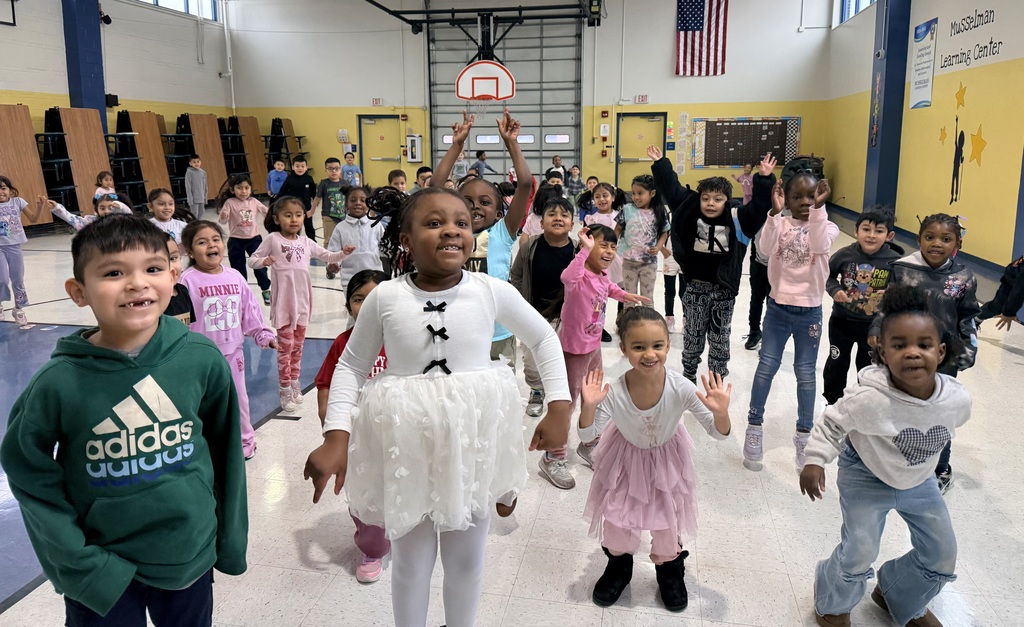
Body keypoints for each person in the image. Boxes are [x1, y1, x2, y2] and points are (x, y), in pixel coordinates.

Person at [304, 187, 572, 627]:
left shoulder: (490, 290)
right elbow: (351, 366)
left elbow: (542, 337)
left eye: (462, 223)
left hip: (471, 444)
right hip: (405, 444)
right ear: (406, 239)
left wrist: (559, 405)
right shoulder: (385, 297)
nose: (452, 230)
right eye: (434, 222)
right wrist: (336, 435)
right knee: (411, 562)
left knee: (466, 560)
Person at [0, 214, 247, 626]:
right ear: (79, 291)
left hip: (187, 552)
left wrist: (230, 539)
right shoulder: (57, 382)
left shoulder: (200, 358)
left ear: (173, 276)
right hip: (101, 566)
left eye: (152, 268)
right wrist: (77, 563)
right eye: (114, 272)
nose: (137, 283)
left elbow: (226, 454)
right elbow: (28, 472)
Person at [800, 285, 970, 627]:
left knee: (942, 553)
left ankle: (895, 591)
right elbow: (832, 423)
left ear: (940, 351)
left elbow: (947, 430)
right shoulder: (870, 398)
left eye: (923, 345)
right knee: (861, 548)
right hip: (865, 472)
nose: (912, 353)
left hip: (919, 479)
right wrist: (815, 459)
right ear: (881, 352)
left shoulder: (957, 400)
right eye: (899, 345)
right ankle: (832, 600)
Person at [579, 307, 731, 612]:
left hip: (667, 461)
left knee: (667, 521)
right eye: (639, 347)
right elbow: (586, 437)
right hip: (624, 461)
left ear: (668, 345)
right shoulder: (616, 391)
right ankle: (619, 566)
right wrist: (589, 407)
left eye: (657, 345)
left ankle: (670, 570)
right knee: (619, 518)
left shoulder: (681, 387)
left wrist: (721, 413)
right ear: (623, 349)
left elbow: (719, 434)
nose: (650, 354)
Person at [867, 213, 978, 493]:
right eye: (929, 237)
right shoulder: (903, 269)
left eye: (945, 239)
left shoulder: (963, 276)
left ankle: (940, 468)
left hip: (943, 358)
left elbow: (968, 316)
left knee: (940, 411)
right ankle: (897, 461)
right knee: (900, 404)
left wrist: (969, 347)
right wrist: (878, 330)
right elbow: (886, 306)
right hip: (905, 354)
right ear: (919, 240)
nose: (936, 244)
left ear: (957, 244)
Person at [650, 146, 777, 384]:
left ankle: (717, 376)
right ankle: (689, 373)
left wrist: (764, 178)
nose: (710, 203)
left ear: (727, 201)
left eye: (717, 199)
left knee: (720, 337)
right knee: (693, 335)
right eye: (705, 198)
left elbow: (760, 207)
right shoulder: (689, 212)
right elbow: (672, 190)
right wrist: (661, 163)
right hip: (695, 289)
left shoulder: (738, 220)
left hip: (723, 292)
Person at [744, 173, 839, 471]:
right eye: (797, 197)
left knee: (806, 373)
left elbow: (820, 243)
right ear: (786, 197)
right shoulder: (780, 223)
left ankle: (803, 433)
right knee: (766, 366)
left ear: (820, 198)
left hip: (809, 312)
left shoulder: (827, 225)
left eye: (811, 197)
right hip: (778, 309)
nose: (804, 203)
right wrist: (773, 212)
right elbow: (764, 249)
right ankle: (754, 426)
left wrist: (818, 211)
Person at [550, 224, 650, 488]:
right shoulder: (579, 273)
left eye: (612, 246)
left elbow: (606, 288)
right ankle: (553, 455)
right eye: (602, 245)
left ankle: (588, 442)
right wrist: (585, 250)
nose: (608, 251)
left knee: (592, 398)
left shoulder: (602, 274)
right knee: (569, 403)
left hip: (593, 347)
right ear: (589, 245)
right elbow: (565, 277)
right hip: (574, 349)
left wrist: (624, 294)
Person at [431, 109, 533, 366]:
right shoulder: (452, 231)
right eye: (467, 201)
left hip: (498, 332)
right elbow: (433, 189)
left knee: (501, 397)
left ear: (499, 213)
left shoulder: (502, 231)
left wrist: (511, 143)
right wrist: (456, 146)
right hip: (458, 329)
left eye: (484, 202)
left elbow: (524, 185)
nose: (475, 206)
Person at [313, 269, 390, 582]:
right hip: (358, 439)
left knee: (403, 487)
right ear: (348, 307)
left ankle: (408, 532)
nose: (367, 305)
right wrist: (328, 421)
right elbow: (326, 384)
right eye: (359, 299)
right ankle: (373, 547)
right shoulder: (343, 343)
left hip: (398, 434)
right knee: (365, 494)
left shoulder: (405, 342)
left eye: (375, 298)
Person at [180, 220, 278, 460]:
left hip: (234, 355)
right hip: (201, 359)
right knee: (202, 404)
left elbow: (250, 311)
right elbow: (180, 322)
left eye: (215, 240)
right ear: (191, 252)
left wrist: (263, 334)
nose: (211, 245)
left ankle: (245, 443)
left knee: (239, 401)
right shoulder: (186, 281)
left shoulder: (235, 276)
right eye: (202, 242)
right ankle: (204, 448)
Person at [249, 196, 352, 412]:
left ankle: (295, 383)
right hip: (285, 305)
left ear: (304, 217)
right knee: (285, 349)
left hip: (303, 303)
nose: (294, 220)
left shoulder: (306, 242)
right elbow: (253, 259)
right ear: (276, 219)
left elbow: (328, 256)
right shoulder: (273, 239)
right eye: (288, 215)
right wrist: (263, 261)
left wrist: (343, 253)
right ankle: (284, 387)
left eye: (298, 215)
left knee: (298, 347)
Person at [823, 205, 901, 405]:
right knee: (837, 362)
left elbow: (898, 294)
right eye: (866, 229)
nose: (872, 235)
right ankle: (832, 402)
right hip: (842, 321)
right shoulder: (844, 255)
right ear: (856, 231)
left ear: (889, 235)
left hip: (873, 328)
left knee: (868, 368)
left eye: (879, 231)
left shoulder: (894, 262)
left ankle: (863, 404)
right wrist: (834, 290)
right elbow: (826, 274)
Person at [510, 196, 577, 418]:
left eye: (564, 215)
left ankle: (560, 394)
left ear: (572, 223)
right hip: (533, 314)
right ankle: (537, 390)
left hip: (566, 317)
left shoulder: (578, 251)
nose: (558, 218)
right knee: (531, 357)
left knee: (564, 356)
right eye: (552, 214)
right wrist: (522, 305)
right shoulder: (530, 247)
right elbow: (517, 274)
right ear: (541, 222)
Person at [615, 174, 670, 309]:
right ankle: (627, 326)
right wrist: (611, 247)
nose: (636, 197)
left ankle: (648, 326)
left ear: (652, 193)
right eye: (633, 193)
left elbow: (665, 232)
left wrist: (658, 247)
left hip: (649, 263)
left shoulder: (659, 211)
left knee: (647, 298)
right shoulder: (627, 209)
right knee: (629, 298)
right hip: (628, 261)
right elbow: (617, 229)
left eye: (640, 193)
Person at [217, 174, 271, 305]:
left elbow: (267, 212)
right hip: (236, 240)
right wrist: (224, 215)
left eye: (247, 188)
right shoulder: (230, 203)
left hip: (254, 239)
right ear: (232, 190)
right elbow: (222, 221)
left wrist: (276, 216)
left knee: (260, 266)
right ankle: (242, 293)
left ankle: (265, 289)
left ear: (251, 189)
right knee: (238, 268)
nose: (243, 191)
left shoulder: (253, 201)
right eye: (239, 188)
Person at [326, 185, 384, 288]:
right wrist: (332, 264)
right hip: (350, 281)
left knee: (373, 304)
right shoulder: (340, 228)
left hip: (375, 279)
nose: (358, 203)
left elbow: (385, 248)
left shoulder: (376, 224)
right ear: (346, 204)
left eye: (362, 200)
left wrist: (396, 253)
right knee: (355, 304)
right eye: (353, 200)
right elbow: (333, 253)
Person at [0, 176, 31, 326]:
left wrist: (39, 207)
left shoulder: (18, 202)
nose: (1, 191)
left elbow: (33, 218)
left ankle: (18, 309)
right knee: (2, 279)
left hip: (15, 246)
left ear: (10, 190)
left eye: (3, 188)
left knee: (18, 279)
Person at [976, 253, 1024, 329]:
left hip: (1015, 274)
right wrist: (1009, 312)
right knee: (997, 306)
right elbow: (1019, 290)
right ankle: (974, 320)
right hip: (1013, 278)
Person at [276, 157, 318, 241]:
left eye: (302, 166)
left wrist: (316, 201)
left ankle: (313, 242)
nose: (300, 168)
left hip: (307, 207)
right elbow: (282, 192)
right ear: (293, 167)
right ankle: (293, 241)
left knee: (309, 225)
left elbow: (313, 192)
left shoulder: (309, 178)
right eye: (297, 166)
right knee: (294, 226)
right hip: (293, 208)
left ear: (306, 167)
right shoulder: (289, 179)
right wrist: (277, 202)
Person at [46, 193, 132, 231]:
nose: (106, 211)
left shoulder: (120, 221)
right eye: (102, 208)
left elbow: (130, 216)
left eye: (110, 208)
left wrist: (120, 206)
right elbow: (72, 219)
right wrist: (57, 208)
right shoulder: (91, 222)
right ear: (96, 209)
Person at [312, 157, 347, 247]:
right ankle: (328, 259)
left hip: (343, 216)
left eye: (336, 168)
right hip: (328, 217)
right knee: (329, 239)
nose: (334, 171)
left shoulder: (345, 183)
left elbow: (349, 198)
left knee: (343, 239)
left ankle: (341, 258)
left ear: (340, 169)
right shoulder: (324, 184)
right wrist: (311, 211)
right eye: (330, 169)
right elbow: (317, 198)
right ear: (326, 170)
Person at [163, 233, 195, 325]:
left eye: (173, 258)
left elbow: (190, 327)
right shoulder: (148, 300)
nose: (171, 268)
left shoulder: (183, 290)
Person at [146, 188, 188, 257]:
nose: (167, 207)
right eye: (161, 204)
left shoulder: (183, 226)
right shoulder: (146, 226)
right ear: (150, 206)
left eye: (170, 204)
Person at [661, 237, 683, 333]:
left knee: (684, 292)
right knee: (669, 292)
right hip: (670, 257)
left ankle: (687, 319)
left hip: (685, 257)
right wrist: (663, 250)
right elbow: (657, 234)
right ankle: (669, 318)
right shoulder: (667, 222)